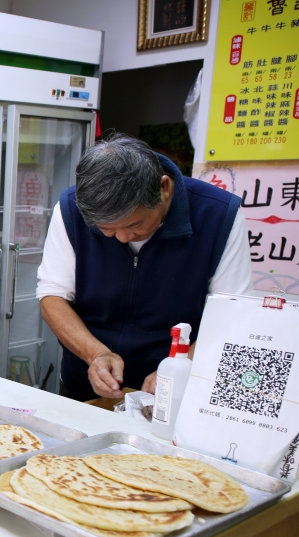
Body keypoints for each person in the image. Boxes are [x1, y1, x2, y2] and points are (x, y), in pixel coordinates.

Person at [36, 134, 252, 401]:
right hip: (88, 386)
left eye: (134, 225)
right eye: (106, 230)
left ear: (164, 188)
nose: (122, 238)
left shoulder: (219, 215)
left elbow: (232, 313)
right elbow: (52, 297)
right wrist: (96, 354)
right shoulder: (71, 208)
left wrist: (182, 366)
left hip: (179, 391)